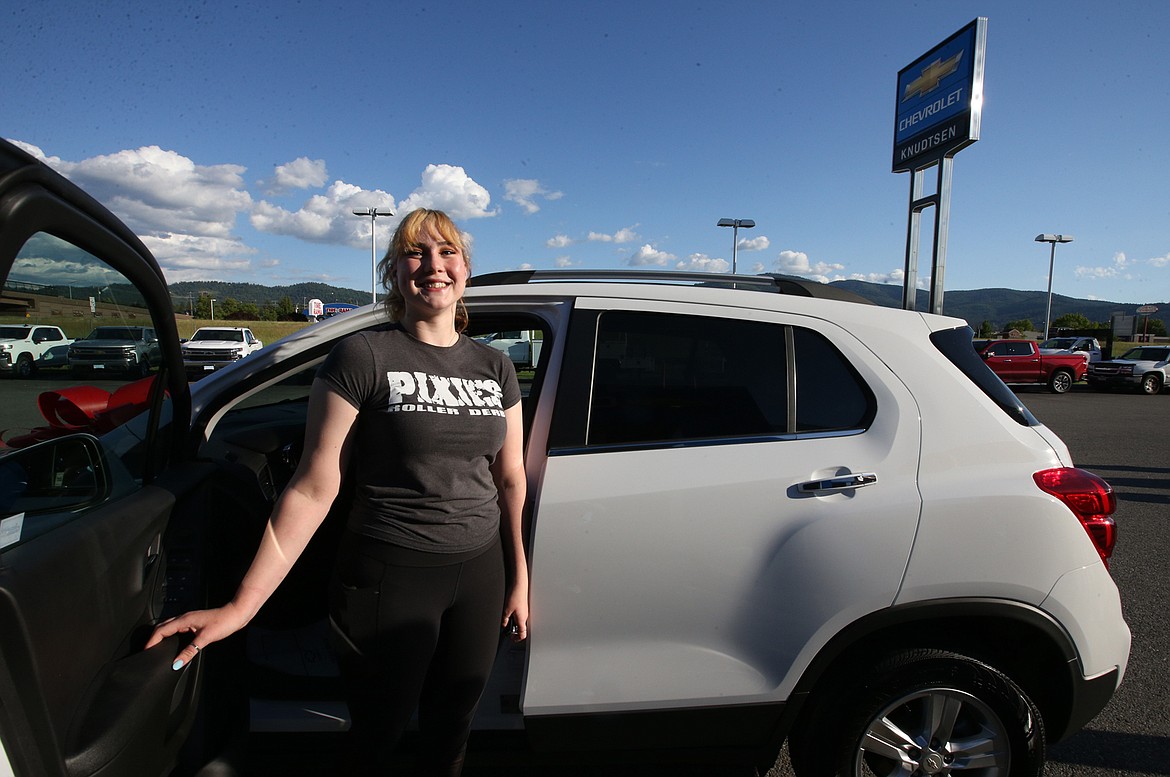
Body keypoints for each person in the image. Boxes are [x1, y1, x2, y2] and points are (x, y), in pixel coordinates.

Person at [147, 208, 530, 776]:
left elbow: (509, 478)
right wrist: (241, 607)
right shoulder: (363, 356)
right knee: (379, 730)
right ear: (394, 273)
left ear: (466, 270)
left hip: (479, 571)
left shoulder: (494, 366)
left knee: (453, 727)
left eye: (447, 252)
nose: (433, 266)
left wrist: (518, 576)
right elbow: (311, 487)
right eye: (414, 254)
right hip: (389, 573)